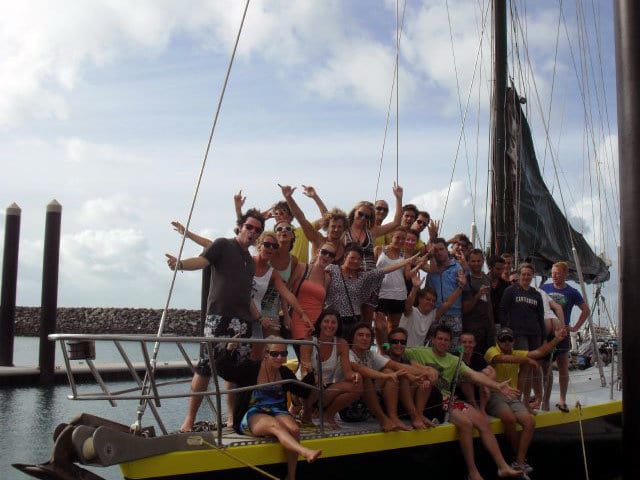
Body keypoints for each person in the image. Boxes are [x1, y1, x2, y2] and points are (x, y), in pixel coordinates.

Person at [166, 209, 265, 433]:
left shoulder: (250, 262)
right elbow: (202, 261)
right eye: (249, 227)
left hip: (242, 322)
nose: (252, 232)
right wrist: (180, 264)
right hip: (218, 318)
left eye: (257, 230)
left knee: (234, 370)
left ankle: (231, 418)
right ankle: (189, 420)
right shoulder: (222, 245)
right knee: (205, 368)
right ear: (240, 226)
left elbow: (246, 295)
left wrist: (259, 318)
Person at [405, 325, 522, 480]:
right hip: (432, 402)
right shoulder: (419, 352)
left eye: (446, 340)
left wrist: (496, 385)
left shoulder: (454, 360)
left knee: (482, 422)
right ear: (433, 340)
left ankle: (503, 466)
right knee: (466, 424)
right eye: (439, 339)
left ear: (450, 343)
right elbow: (391, 348)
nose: (442, 342)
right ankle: (472, 472)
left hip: (450, 400)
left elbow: (474, 375)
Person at [216, 335, 321, 480]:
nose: (279, 357)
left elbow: (302, 391)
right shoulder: (251, 367)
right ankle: (305, 452)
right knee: (275, 426)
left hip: (277, 410)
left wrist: (311, 374)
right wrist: (229, 349)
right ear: (266, 353)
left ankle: (291, 476)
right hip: (253, 411)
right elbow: (226, 372)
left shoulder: (284, 372)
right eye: (274, 354)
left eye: (283, 354)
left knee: (294, 429)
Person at [485, 326, 569, 475]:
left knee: (530, 422)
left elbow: (540, 352)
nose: (506, 342)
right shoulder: (492, 351)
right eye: (502, 339)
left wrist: (557, 338)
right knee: (509, 419)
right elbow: (503, 359)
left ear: (513, 341)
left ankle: (519, 462)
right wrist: (527, 360)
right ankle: (519, 458)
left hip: (512, 395)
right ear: (497, 341)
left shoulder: (517, 352)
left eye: (509, 339)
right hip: (495, 393)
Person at [336, 322, 434, 432]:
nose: (365, 338)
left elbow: (395, 365)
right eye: (360, 335)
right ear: (352, 338)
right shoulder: (348, 354)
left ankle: (401, 417)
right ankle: (388, 419)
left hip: (369, 408)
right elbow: (360, 369)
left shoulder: (370, 354)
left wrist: (425, 373)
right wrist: (387, 375)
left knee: (398, 373)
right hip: (350, 409)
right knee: (371, 377)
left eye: (368, 336)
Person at [324, 243, 421, 337]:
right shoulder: (332, 269)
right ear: (345, 258)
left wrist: (405, 262)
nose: (355, 261)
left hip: (353, 321)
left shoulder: (362, 277)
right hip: (332, 320)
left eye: (359, 259)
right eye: (352, 258)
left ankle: (385, 349)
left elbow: (383, 271)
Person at [250, 231, 313, 359]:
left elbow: (286, 293)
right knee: (247, 355)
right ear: (259, 245)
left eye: (274, 246)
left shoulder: (273, 273)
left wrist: (302, 314)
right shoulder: (248, 263)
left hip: (264, 313)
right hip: (244, 314)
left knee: (265, 353)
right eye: (267, 245)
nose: (271, 248)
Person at [540, 261, 591, 412]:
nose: (554, 276)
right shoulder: (544, 288)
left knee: (563, 367)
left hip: (563, 333)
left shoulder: (572, 292)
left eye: (558, 273)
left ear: (565, 274)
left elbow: (585, 310)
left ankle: (562, 399)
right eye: (552, 273)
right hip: (547, 333)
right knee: (545, 368)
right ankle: (545, 399)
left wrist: (575, 327)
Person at [298, 310, 362, 429]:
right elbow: (305, 368)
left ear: (338, 326)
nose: (330, 325)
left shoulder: (341, 343)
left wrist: (355, 375)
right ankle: (306, 412)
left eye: (333, 322)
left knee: (357, 385)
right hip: (305, 385)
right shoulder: (308, 341)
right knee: (314, 381)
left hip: (326, 386)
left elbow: (348, 373)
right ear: (320, 324)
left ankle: (328, 415)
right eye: (326, 321)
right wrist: (315, 377)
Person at [499, 262, 545, 408]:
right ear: (519, 275)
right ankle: (519, 401)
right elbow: (502, 310)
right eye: (523, 274)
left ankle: (527, 401)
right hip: (518, 334)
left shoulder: (536, 294)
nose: (526, 277)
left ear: (532, 276)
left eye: (529, 274)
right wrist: (507, 329)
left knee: (533, 368)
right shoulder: (511, 290)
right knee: (524, 366)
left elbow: (540, 316)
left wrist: (543, 337)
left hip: (534, 334)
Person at [280, 184, 349, 264]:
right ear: (327, 227)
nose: (336, 229)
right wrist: (288, 198)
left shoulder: (346, 247)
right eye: (333, 226)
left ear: (344, 228)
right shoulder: (318, 239)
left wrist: (315, 197)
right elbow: (301, 218)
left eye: (340, 227)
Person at [384, 327, 437, 429]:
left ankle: (419, 414)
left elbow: (432, 373)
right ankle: (415, 416)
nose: (399, 345)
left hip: (406, 404)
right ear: (389, 343)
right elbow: (401, 368)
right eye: (395, 342)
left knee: (425, 380)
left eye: (402, 342)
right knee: (404, 376)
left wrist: (427, 377)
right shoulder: (384, 359)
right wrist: (426, 372)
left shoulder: (408, 360)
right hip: (388, 404)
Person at [400, 268, 465, 347]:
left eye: (433, 301)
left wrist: (461, 286)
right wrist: (415, 288)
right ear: (420, 299)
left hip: (418, 353)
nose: (431, 302)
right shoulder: (411, 311)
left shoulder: (432, 315)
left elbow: (448, 303)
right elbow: (408, 304)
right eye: (428, 299)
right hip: (402, 349)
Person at [424, 237, 465, 351]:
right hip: (435, 315)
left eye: (441, 249)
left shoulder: (457, 267)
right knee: (432, 351)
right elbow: (428, 291)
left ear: (447, 250)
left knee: (453, 350)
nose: (439, 252)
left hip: (454, 315)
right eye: (435, 250)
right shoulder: (431, 271)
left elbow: (463, 286)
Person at [373, 227, 410, 349]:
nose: (400, 240)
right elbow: (372, 271)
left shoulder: (405, 255)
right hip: (381, 293)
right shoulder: (379, 249)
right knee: (379, 326)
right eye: (397, 237)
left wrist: (416, 264)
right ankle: (382, 350)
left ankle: (388, 351)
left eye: (403, 238)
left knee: (393, 326)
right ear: (391, 237)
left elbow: (407, 275)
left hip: (399, 294)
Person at [462, 248, 496, 354]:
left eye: (478, 261)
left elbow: (489, 303)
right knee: (466, 355)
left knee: (488, 357)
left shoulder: (487, 278)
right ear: (468, 262)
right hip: (471, 327)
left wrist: (492, 325)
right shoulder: (466, 279)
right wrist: (478, 295)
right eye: (473, 261)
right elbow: (465, 308)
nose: (476, 263)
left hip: (487, 328)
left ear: (483, 261)